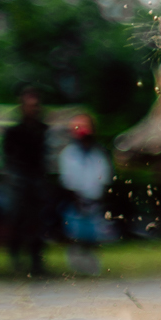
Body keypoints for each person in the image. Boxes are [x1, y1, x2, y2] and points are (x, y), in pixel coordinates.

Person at [0, 86, 51, 276]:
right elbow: (8, 157)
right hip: (19, 179)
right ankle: (16, 260)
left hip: (36, 179)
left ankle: (37, 261)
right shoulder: (14, 131)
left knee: (38, 222)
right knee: (17, 220)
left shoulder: (43, 130)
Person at [58, 115, 112, 274]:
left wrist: (99, 198)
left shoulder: (99, 154)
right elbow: (68, 180)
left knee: (93, 237)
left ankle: (91, 267)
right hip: (76, 201)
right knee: (75, 235)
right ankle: (76, 267)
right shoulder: (69, 154)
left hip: (94, 200)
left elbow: (104, 178)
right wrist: (77, 199)